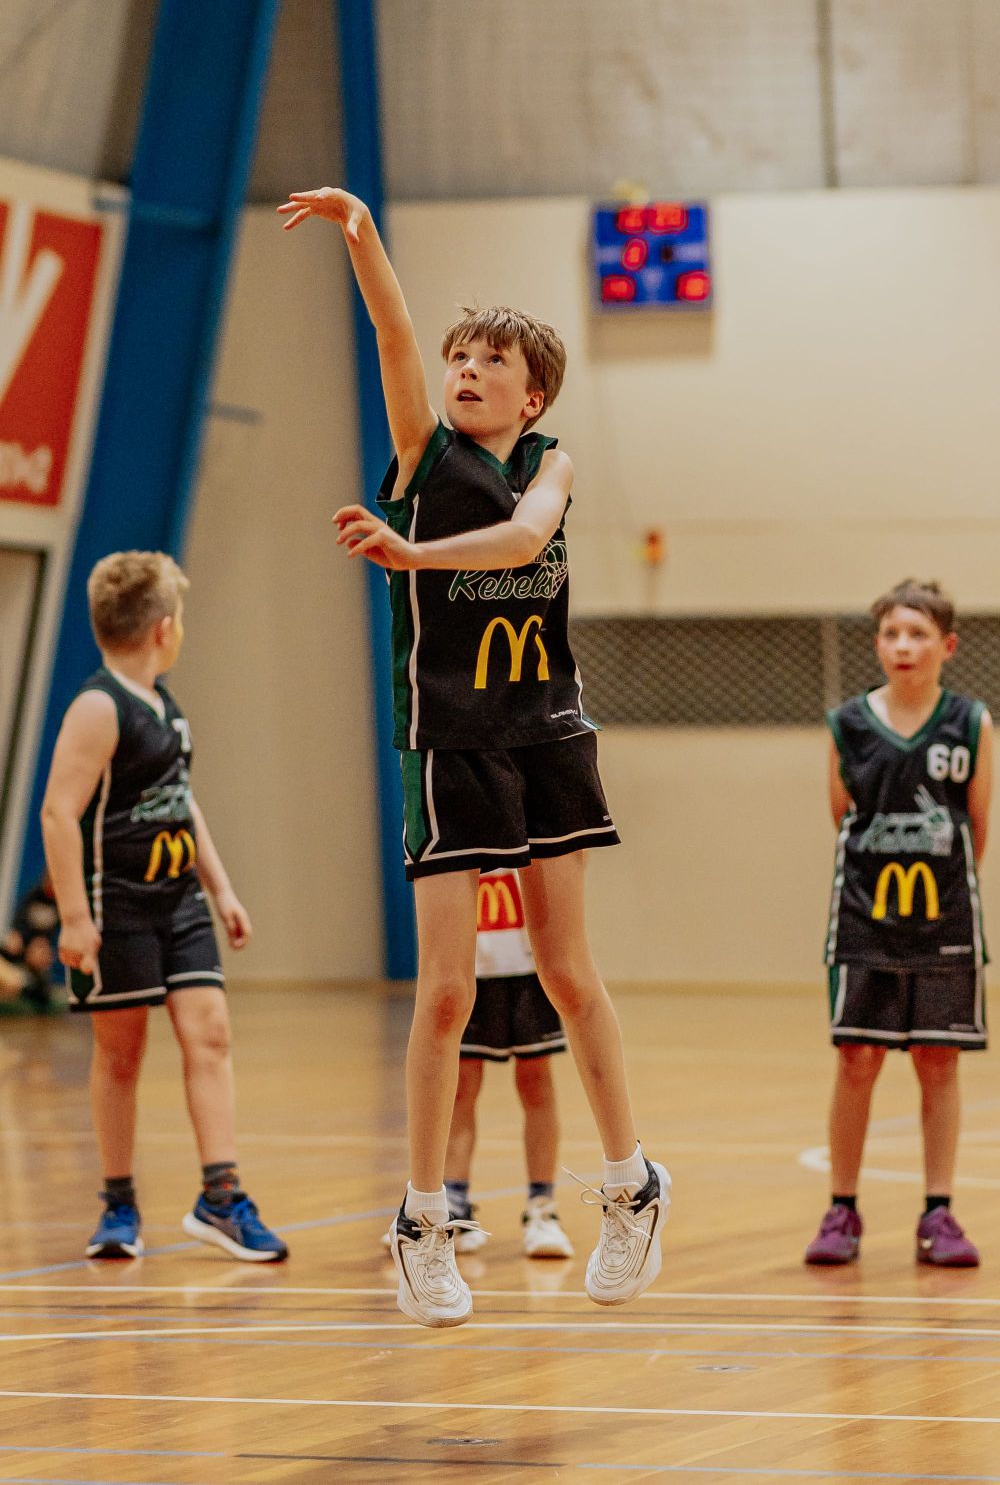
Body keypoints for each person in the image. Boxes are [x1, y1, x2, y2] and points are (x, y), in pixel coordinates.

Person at [280, 184, 668, 1328]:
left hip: (544, 734)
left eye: (491, 360)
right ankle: (421, 1222)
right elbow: (391, 332)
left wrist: (410, 558)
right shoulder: (421, 453)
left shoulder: (550, 462)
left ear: (530, 393)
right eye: (460, 356)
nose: (465, 369)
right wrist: (362, 234)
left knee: (565, 970)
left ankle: (631, 1185)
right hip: (446, 742)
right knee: (446, 990)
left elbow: (526, 535)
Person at [41, 551, 287, 1263]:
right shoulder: (99, 707)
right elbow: (58, 813)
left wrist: (221, 887)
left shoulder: (163, 704)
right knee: (121, 1054)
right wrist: (76, 918)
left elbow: (181, 801)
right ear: (163, 628)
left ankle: (221, 1198)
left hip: (179, 901)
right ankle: (118, 1205)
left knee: (209, 1035)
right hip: (115, 904)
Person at [808, 579, 991, 1268]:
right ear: (878, 644)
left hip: (945, 920)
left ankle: (938, 1213)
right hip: (865, 919)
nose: (903, 646)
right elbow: (841, 818)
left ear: (947, 645)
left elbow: (977, 825)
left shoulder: (970, 723)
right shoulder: (847, 724)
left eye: (918, 634)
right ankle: (842, 1209)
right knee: (857, 1060)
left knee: (938, 1062)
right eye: (891, 634)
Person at [386, 868, 574, 1258]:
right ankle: (454, 1202)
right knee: (460, 1087)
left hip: (529, 965)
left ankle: (542, 1207)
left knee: (536, 1083)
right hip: (469, 967)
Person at [0, 872, 61, 1013]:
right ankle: (21, 983)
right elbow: (19, 923)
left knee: (42, 995)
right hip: (21, 946)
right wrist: (19, 938)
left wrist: (43, 946)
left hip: (37, 950)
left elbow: (51, 933)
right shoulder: (33, 895)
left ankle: (27, 986)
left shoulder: (58, 904)